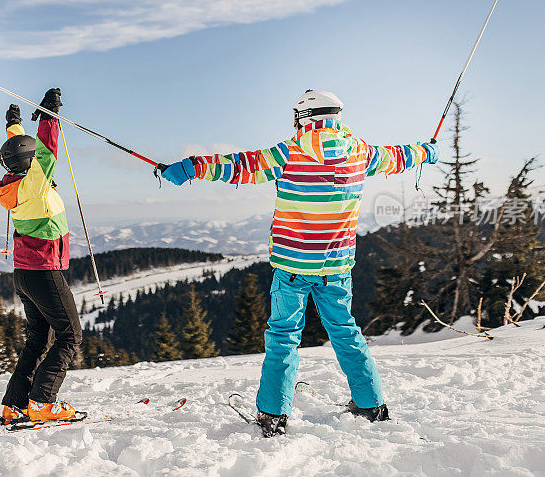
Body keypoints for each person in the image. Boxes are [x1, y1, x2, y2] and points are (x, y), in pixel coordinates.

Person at [159, 90, 438, 437]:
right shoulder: (361, 153)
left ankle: (274, 414)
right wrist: (427, 151)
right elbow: (400, 156)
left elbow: (238, 165)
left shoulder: (289, 153)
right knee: (346, 332)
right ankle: (370, 403)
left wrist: (189, 167)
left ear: (303, 118)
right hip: (337, 267)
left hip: (292, 267)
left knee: (283, 338)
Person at [0, 89, 82, 424]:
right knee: (70, 335)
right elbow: (45, 152)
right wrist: (49, 115)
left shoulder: (14, 184)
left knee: (37, 339)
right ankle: (43, 403)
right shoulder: (34, 185)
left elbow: (24, 151)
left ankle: (14, 404)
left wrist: (13, 126)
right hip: (44, 272)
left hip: (24, 274)